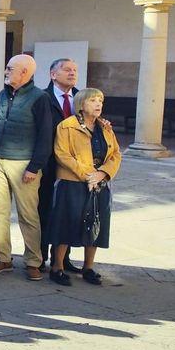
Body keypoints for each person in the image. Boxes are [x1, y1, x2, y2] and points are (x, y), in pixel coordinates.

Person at [0, 54, 52, 281]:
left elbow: (45, 135)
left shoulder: (39, 97)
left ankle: (33, 261)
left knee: (28, 214)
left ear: (24, 72)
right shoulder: (3, 94)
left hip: (23, 163)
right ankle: (3, 258)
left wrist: (35, 166)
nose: (6, 71)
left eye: (10, 68)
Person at [48, 88, 120, 287]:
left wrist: (102, 174)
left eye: (100, 101)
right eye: (93, 100)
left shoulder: (105, 127)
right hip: (72, 182)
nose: (98, 104)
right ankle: (57, 267)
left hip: (99, 182)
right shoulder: (67, 126)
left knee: (96, 223)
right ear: (81, 104)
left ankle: (88, 267)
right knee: (65, 224)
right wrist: (89, 175)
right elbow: (62, 154)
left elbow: (115, 154)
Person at [41, 57, 81, 272]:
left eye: (74, 70)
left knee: (67, 211)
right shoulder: (42, 97)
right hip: (47, 163)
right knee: (44, 209)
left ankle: (62, 259)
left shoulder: (81, 98)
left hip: (72, 166)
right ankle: (38, 258)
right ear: (53, 74)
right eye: (67, 69)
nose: (72, 73)